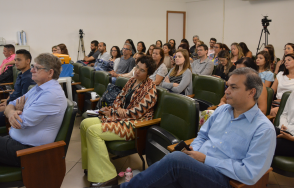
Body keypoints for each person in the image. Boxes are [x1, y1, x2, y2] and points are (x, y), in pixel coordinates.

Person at [118, 67, 276, 188]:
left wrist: (206, 159)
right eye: (227, 86)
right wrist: (194, 151)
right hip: (199, 164)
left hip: (224, 179)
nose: (226, 91)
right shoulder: (221, 110)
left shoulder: (263, 129)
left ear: (251, 92)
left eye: (233, 87)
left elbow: (250, 173)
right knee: (164, 177)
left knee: (175, 161)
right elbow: (203, 135)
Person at [80, 56, 157, 187]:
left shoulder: (151, 89)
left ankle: (108, 176)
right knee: (84, 124)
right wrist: (117, 109)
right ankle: (91, 166)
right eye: (137, 67)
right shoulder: (132, 81)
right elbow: (118, 99)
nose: (137, 71)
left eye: (142, 70)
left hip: (135, 125)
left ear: (148, 73)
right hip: (120, 118)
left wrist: (117, 112)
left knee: (93, 131)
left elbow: (136, 113)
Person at [0, 53, 67, 167]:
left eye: (37, 68)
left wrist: (14, 112)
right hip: (17, 143)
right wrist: (13, 112)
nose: (32, 70)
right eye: (33, 66)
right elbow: (12, 104)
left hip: (29, 151)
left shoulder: (51, 94)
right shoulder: (38, 88)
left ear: (50, 72)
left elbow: (20, 123)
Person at [0, 49, 36, 128]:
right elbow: (15, 91)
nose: (16, 62)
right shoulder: (21, 74)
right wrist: (6, 101)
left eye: (19, 60)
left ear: (28, 61)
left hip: (14, 111)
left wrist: (7, 108)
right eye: (15, 60)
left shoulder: (28, 78)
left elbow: (24, 102)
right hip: (10, 104)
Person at [274, 91, 294, 157]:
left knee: (266, 142)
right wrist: (283, 126)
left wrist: (291, 138)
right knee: (263, 131)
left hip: (292, 139)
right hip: (287, 131)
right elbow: (284, 114)